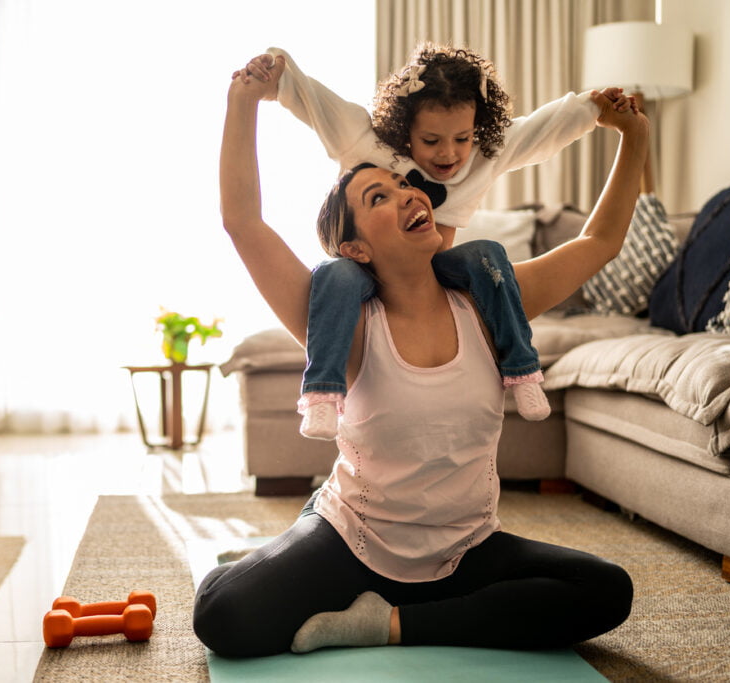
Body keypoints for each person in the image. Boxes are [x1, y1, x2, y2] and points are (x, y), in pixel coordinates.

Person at [194, 54, 648, 658]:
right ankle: (295, 546)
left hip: (466, 548)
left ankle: (388, 624)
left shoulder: (492, 305)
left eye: (406, 185)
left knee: (605, 591)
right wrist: (244, 101)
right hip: (352, 540)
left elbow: (600, 241)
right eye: (380, 195)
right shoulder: (343, 323)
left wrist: (634, 135)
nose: (412, 192)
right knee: (222, 614)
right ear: (354, 245)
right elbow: (243, 221)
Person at [233, 45, 633, 439]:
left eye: (462, 138)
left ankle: (522, 370)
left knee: (485, 253)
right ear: (403, 131)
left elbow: (543, 132)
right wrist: (272, 84)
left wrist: (593, 109)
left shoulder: (484, 163)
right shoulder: (365, 146)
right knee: (335, 275)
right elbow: (317, 108)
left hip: (442, 274)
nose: (449, 154)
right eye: (431, 141)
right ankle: (322, 391)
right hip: (363, 275)